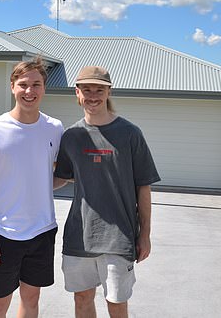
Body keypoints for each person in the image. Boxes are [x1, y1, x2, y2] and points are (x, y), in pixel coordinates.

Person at [54, 65, 160, 318]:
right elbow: (60, 178)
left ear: (109, 92)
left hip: (119, 236)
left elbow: (143, 187)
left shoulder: (130, 134)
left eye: (99, 89)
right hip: (79, 235)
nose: (93, 95)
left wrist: (144, 235)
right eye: (86, 89)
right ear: (77, 93)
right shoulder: (71, 136)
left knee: (116, 303)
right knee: (81, 299)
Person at [0, 57, 63, 318]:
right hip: (4, 234)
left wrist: (77, 175)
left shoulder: (54, 128)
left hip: (42, 231)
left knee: (31, 299)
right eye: (23, 84)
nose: (29, 91)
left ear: (44, 88)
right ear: (12, 87)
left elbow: (49, 178)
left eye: (36, 84)